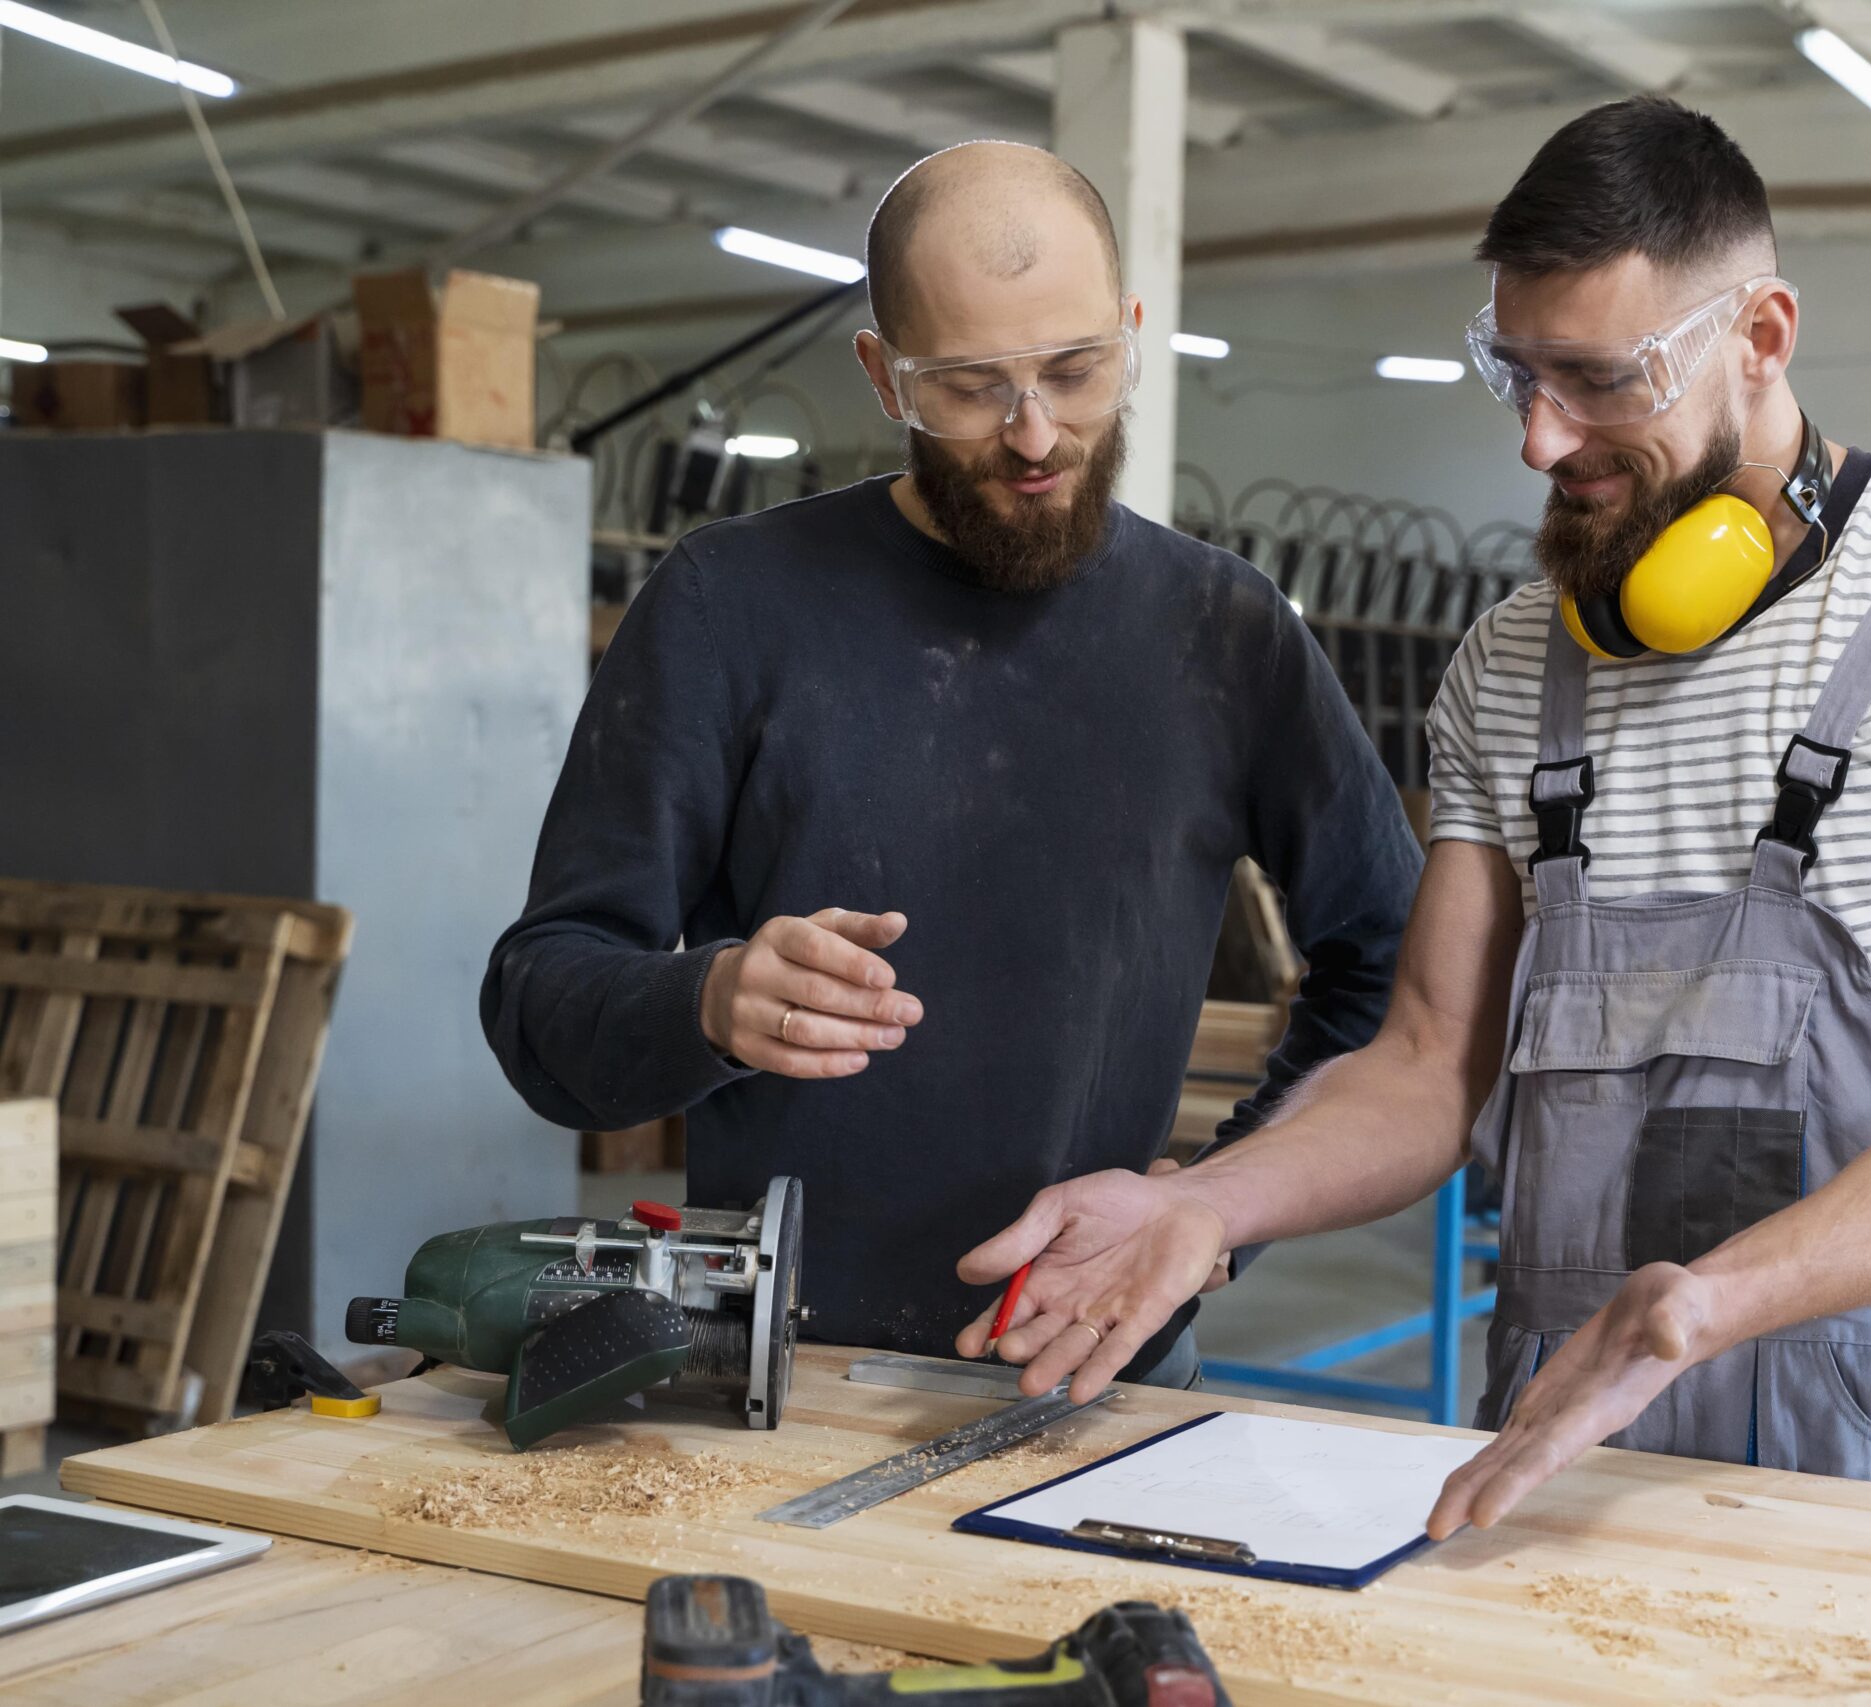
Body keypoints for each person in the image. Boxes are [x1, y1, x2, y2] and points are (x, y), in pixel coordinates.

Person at [954, 95, 1871, 1694]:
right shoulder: (1513, 662)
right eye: (1517, 374)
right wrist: (1212, 1199)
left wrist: (1700, 1305)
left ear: (1761, 330)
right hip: (1551, 1451)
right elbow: (1426, 1064)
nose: (1540, 440)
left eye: (1601, 380)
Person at [481, 141, 1421, 1388]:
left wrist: (1218, 1201)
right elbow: (541, 1002)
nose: (1037, 435)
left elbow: (1398, 972)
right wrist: (704, 1002)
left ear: (1131, 333)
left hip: (1097, 1381)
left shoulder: (1228, 633)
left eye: (1078, 371)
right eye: (973, 387)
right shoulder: (729, 605)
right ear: (883, 374)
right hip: (775, 1379)